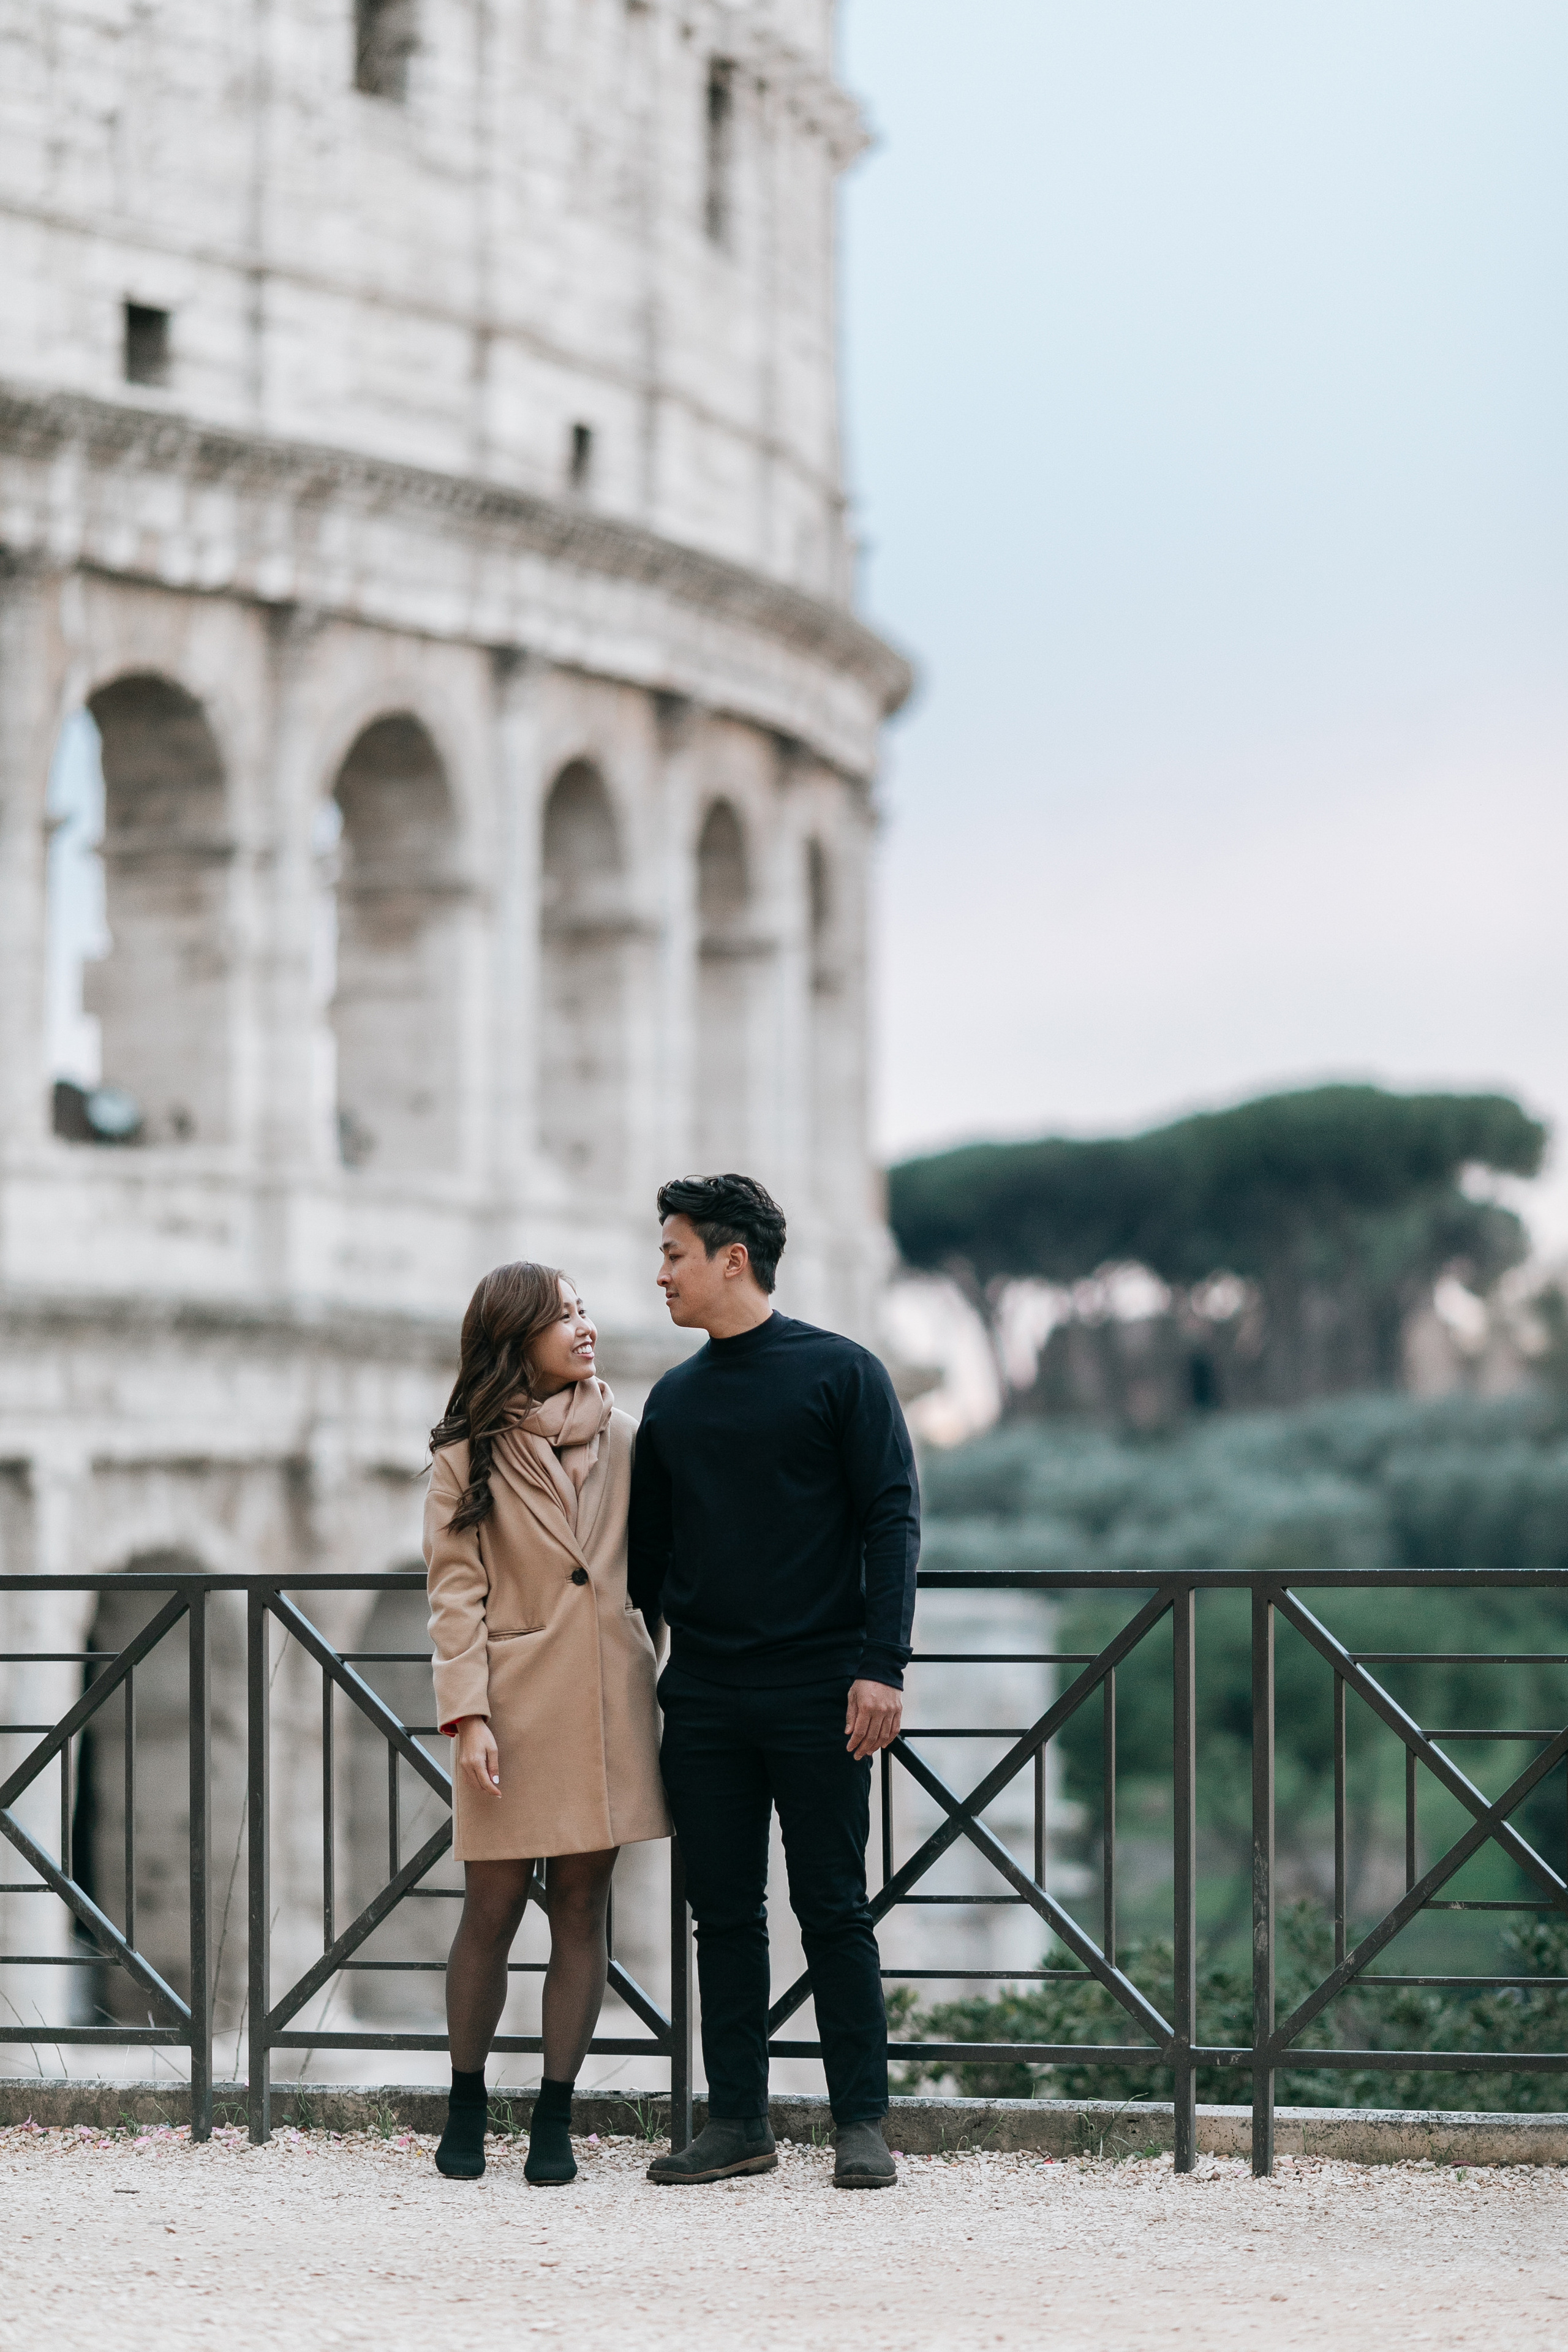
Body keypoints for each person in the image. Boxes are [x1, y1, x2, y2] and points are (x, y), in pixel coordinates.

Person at [628, 1172, 919, 2190]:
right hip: (703, 1697)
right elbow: (645, 1563)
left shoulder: (843, 1374)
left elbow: (893, 1519)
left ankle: (861, 2125)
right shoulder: (672, 1398)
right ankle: (739, 2121)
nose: (660, 1272)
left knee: (834, 1908)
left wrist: (883, 1665)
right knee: (724, 1914)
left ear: (731, 1259)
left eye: (673, 1252)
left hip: (822, 1691)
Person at [424, 1261, 669, 2184]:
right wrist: (469, 1715)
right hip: (511, 1712)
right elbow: (454, 1595)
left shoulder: (632, 1439)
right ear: (515, 1337)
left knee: (580, 1906)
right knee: (488, 1908)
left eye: (585, 1311)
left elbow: (668, 1564)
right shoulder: (465, 1456)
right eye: (563, 1316)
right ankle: (466, 2099)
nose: (586, 1328)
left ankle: (555, 2115)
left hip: (607, 1702)